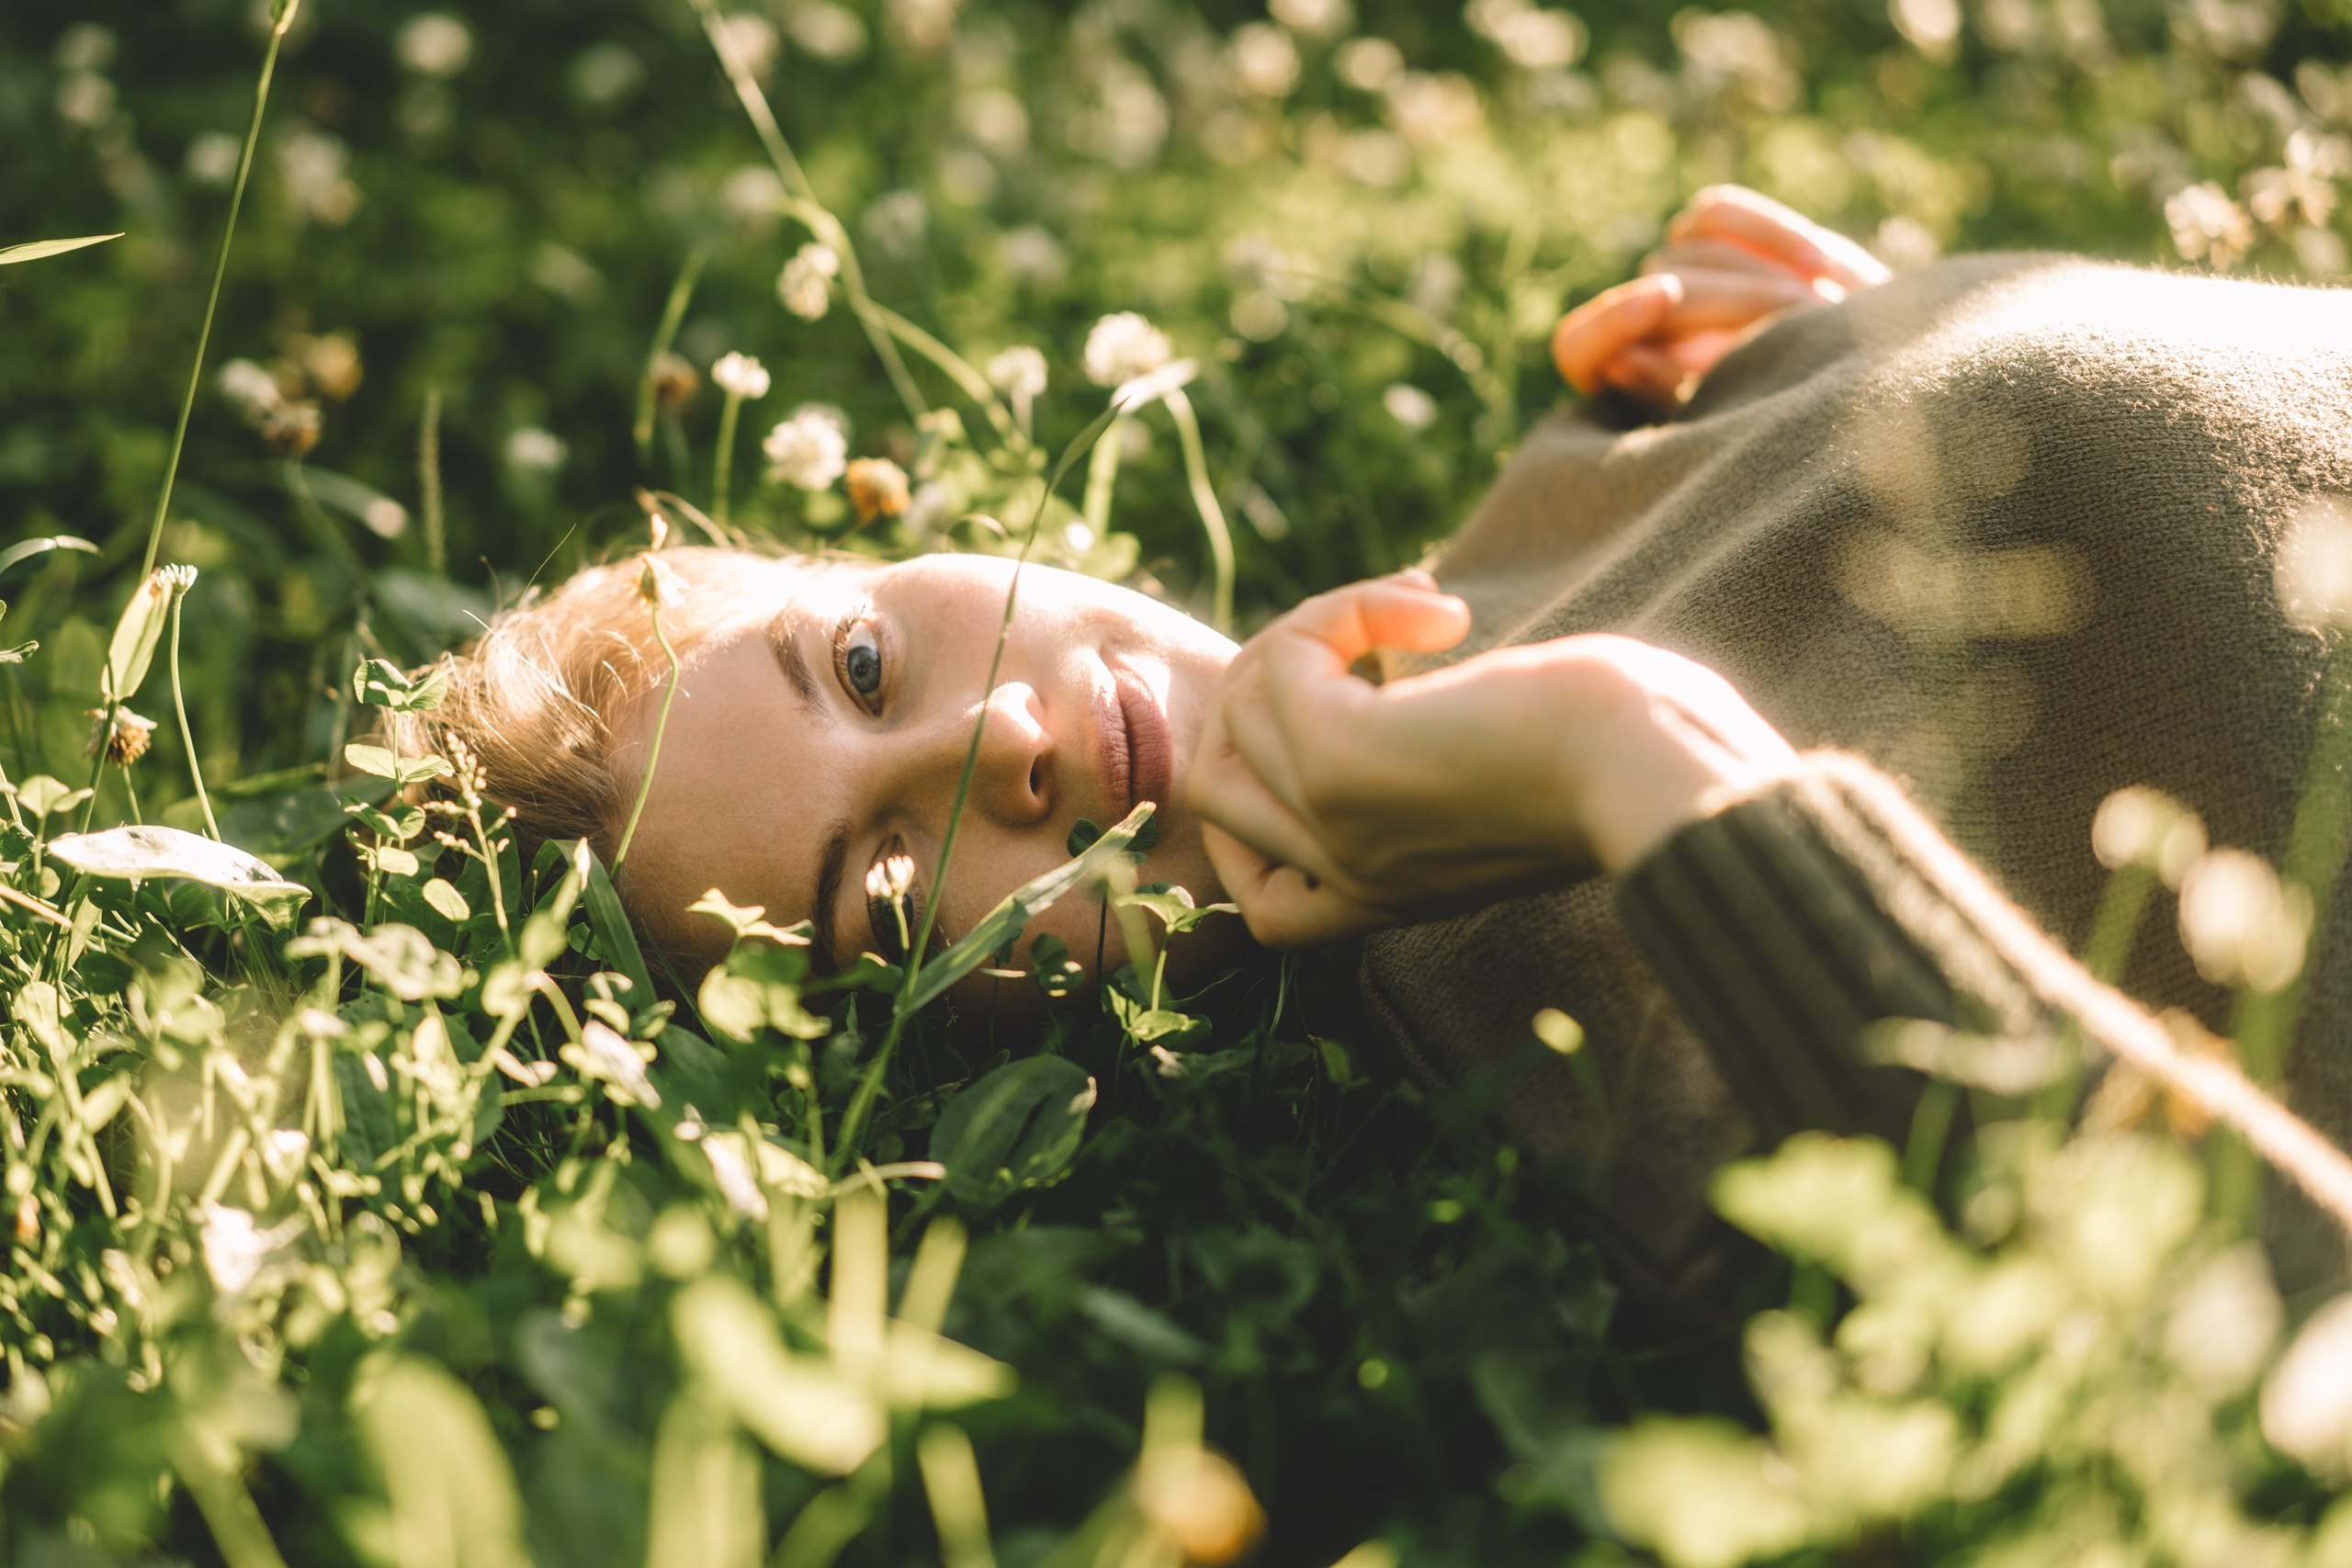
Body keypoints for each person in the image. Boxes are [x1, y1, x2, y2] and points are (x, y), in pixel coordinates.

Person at [402, 187, 2352, 1303]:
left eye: (853, 660)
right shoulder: (1570, 1027)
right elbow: (2231, 1354)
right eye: (890, 892)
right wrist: (1649, 774)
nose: (1000, 738)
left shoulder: (1565, 464)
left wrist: (1889, 362)